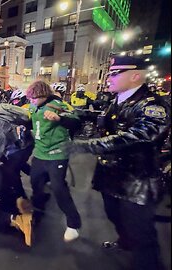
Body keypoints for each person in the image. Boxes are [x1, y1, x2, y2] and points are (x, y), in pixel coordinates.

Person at [65, 55, 170, 270]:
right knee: (114, 216)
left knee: (142, 234)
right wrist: (70, 115)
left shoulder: (152, 105)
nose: (108, 78)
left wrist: (88, 145)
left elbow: (140, 135)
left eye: (114, 74)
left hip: (137, 181)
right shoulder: (117, 100)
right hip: (112, 176)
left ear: (135, 76)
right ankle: (125, 242)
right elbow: (104, 121)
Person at [25, 80, 82, 242]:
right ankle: (38, 212)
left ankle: (73, 223)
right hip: (39, 153)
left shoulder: (58, 105)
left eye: (34, 98)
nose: (31, 101)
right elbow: (32, 121)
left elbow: (77, 122)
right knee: (35, 183)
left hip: (57, 153)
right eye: (30, 99)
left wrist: (59, 118)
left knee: (58, 187)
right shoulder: (33, 106)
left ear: (44, 95)